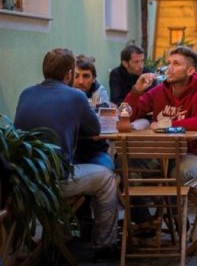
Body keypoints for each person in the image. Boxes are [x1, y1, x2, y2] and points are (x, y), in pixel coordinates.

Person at [14, 48, 119, 261]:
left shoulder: (26, 93)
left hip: (25, 179)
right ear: (69, 74)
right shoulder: (76, 96)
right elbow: (95, 130)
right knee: (107, 177)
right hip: (54, 181)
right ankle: (104, 245)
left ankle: (61, 238)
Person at [123, 45, 197, 182]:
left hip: (194, 154)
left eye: (176, 64)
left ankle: (172, 204)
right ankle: (143, 203)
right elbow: (126, 115)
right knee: (123, 162)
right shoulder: (159, 90)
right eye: (168, 63)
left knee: (181, 173)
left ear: (190, 71)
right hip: (160, 152)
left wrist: (165, 126)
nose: (169, 68)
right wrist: (136, 91)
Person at [72, 55, 114, 170]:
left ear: (94, 78)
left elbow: (104, 124)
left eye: (86, 76)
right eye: (76, 76)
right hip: (71, 151)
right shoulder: (66, 91)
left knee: (107, 168)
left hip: (96, 151)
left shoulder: (100, 91)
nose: (80, 81)